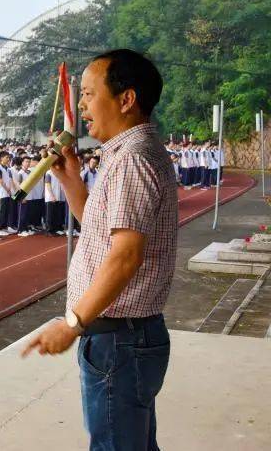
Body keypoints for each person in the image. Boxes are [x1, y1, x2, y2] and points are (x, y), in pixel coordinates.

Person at [23, 49, 176, 451]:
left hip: (119, 342)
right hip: (125, 340)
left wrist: (73, 323)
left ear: (126, 99)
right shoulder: (126, 155)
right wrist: (72, 178)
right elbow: (101, 226)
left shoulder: (132, 160)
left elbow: (125, 255)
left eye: (90, 94)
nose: (83, 107)